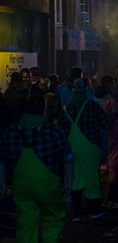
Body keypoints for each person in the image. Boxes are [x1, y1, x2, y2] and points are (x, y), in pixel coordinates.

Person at [0, 95, 70, 243]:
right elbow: (66, 157)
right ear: (43, 110)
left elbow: (2, 159)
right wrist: (67, 184)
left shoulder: (10, 131)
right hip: (49, 185)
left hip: (20, 185)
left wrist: (3, 184)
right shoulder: (53, 131)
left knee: (25, 223)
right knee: (53, 219)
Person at [61, 78, 116, 221]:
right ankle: (95, 210)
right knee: (92, 177)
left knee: (77, 178)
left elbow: (62, 130)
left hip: (74, 147)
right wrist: (115, 114)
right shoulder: (90, 106)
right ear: (86, 91)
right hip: (91, 146)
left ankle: (77, 212)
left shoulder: (66, 109)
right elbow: (106, 123)